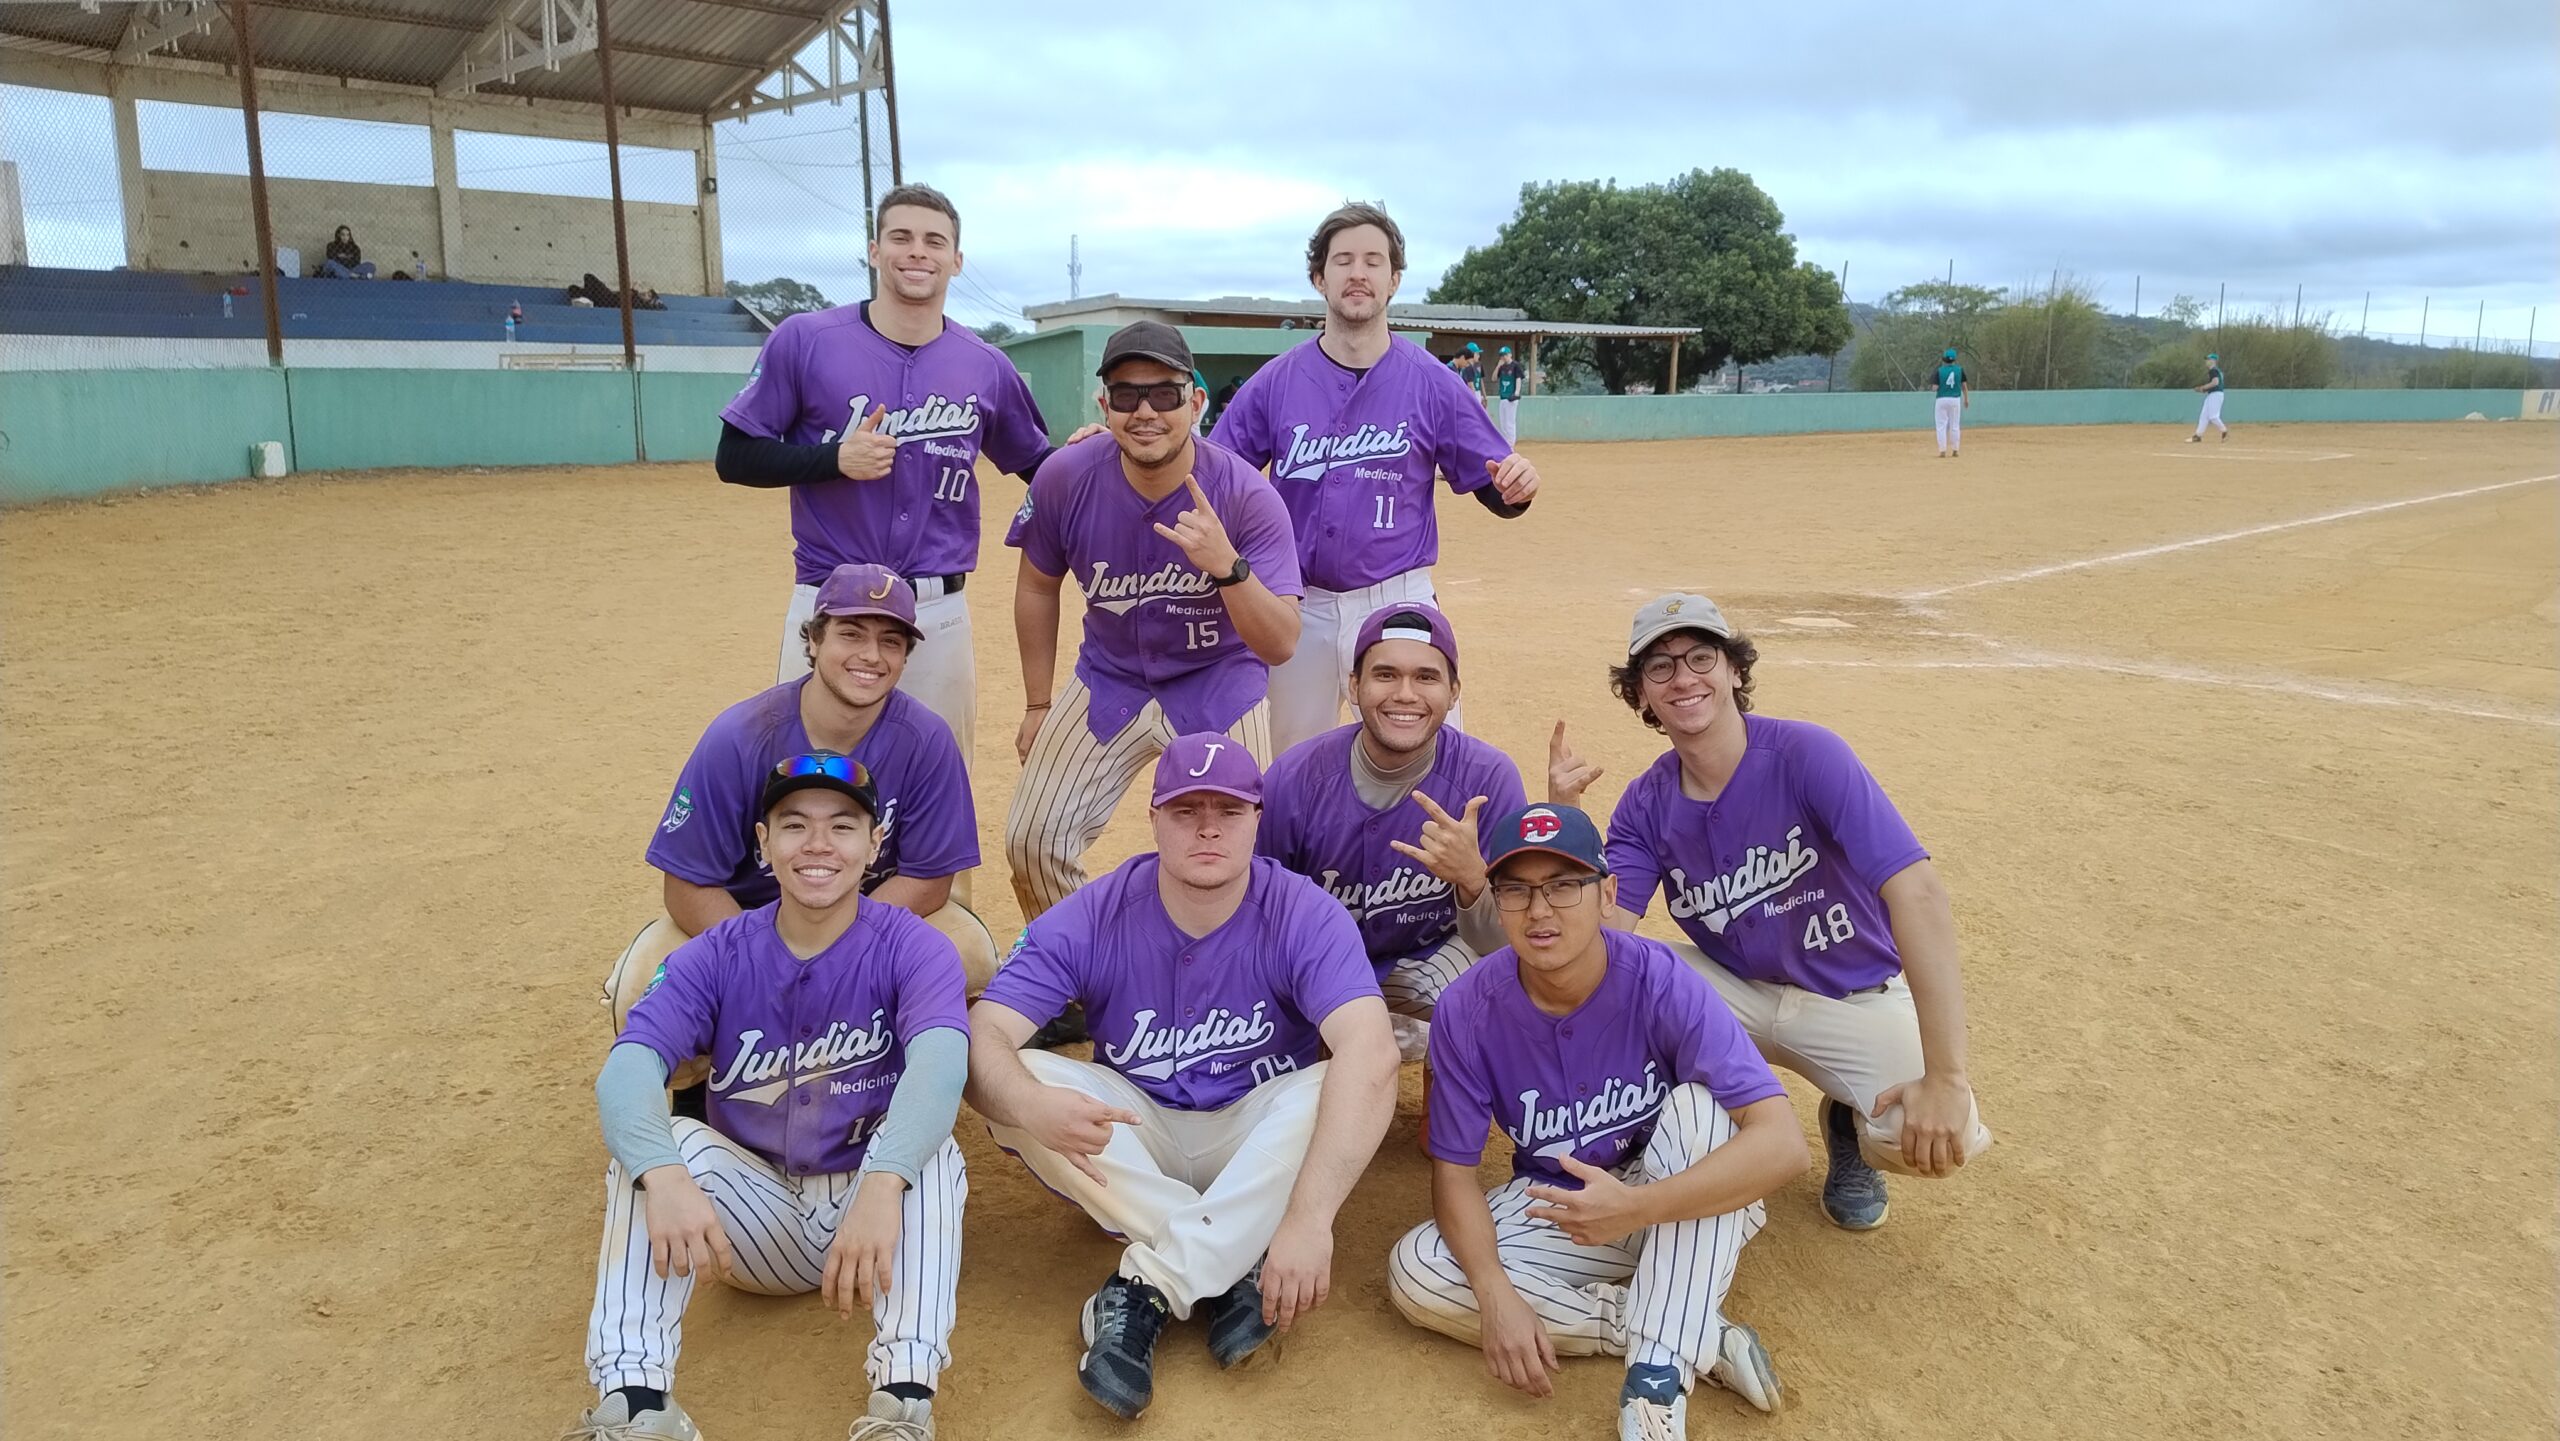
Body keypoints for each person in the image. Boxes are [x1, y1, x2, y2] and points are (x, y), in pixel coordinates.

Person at [965, 735, 1401, 1420]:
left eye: (1226, 808)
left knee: (1349, 1076)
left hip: (1255, 1134)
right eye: (1185, 808)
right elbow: (985, 1033)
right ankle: (1229, 1261)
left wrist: (1312, 1220)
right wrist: (1027, 1100)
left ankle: (1149, 1282)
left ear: (1258, 815)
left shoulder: (1303, 911)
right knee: (1013, 1079)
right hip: (1136, 1131)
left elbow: (1372, 1050)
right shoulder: (1096, 911)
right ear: (1155, 817)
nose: (1206, 826)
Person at [1552, 593, 1993, 1233]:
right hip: (1736, 994)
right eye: (1660, 667)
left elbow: (1917, 892)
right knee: (1622, 981)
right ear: (1641, 696)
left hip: (1851, 997)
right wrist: (1563, 823)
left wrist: (1948, 1076)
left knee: (1934, 1136)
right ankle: (1670, 1139)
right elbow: (1601, 945)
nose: (1684, 678)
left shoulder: (1807, 755)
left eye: (1701, 657)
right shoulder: (1645, 805)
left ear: (1734, 669)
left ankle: (1849, 1122)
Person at [570, 754, 970, 1441]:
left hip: (873, 1224)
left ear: (874, 845)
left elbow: (941, 1062)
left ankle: (902, 1405)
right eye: (795, 825)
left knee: (932, 1153)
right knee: (655, 1150)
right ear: (762, 843)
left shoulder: (913, 946)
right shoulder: (715, 952)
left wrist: (882, 1180)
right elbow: (628, 1068)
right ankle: (637, 1405)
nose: (818, 844)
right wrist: (662, 1171)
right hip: (750, 1223)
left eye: (842, 826)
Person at [1386, 802, 1807, 1435]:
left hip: (1679, 1191)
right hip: (1567, 1207)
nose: (1540, 911)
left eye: (1564, 885)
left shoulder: (1660, 978)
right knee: (1417, 1271)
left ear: (1607, 892)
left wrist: (1639, 1207)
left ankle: (1657, 1376)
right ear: (1496, 903)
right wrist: (1496, 1299)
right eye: (1518, 890)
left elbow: (1783, 1145)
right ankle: (1694, 1328)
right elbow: (1454, 1176)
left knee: (1699, 1109)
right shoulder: (1468, 1008)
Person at [605, 564, 999, 1090]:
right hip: (745, 916)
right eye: (851, 634)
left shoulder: (925, 740)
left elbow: (930, 878)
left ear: (906, 656)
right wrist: (767, 957)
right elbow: (688, 882)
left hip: (869, 912)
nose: (871, 656)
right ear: (812, 640)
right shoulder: (739, 736)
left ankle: (891, 1075)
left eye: (890, 641)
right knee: (640, 990)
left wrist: (842, 948)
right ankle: (707, 1088)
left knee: (970, 954)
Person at [716, 184, 1056, 758]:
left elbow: (1037, 466)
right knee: (808, 780)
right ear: (875, 251)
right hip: (830, 602)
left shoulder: (986, 365)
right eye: (901, 237)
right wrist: (834, 459)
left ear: (956, 260)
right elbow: (735, 456)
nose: (917, 252)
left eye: (934, 241)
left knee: (934, 778)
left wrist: (1097, 456)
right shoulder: (806, 340)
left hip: (937, 609)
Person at [1211, 203, 1539, 755]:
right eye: (1342, 260)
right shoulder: (1276, 383)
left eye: (1372, 260)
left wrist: (1516, 486)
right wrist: (1115, 444)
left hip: (1398, 598)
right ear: (1320, 278)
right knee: (1287, 765)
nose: (1357, 272)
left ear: (1394, 280)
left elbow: (1495, 488)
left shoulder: (1432, 383)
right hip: (1297, 605)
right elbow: (1210, 471)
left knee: (1432, 758)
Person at [1002, 320, 1303, 920]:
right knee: (1032, 841)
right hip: (1108, 680)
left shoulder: (1244, 494)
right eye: (1126, 394)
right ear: (1104, 404)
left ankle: (1230, 975)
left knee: (1247, 846)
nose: (1145, 411)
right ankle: (1080, 976)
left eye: (1164, 394)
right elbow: (1038, 584)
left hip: (1216, 680)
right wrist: (1038, 704)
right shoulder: (1065, 476)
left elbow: (1282, 642)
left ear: (1194, 401)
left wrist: (1228, 568)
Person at [1255, 602, 1523, 1022]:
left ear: (1453, 692)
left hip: (1431, 955)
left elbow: (1510, 940)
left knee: (1496, 998)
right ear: (1355, 685)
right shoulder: (1293, 778)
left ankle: (1444, 1071)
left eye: (1426, 677)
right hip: (1313, 957)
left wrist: (1473, 879)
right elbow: (1256, 914)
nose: (1405, 694)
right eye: (1385, 674)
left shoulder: (1488, 779)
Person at [1932, 346, 1969, 458]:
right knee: (1954, 425)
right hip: (1955, 400)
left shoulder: (1939, 371)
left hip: (1942, 399)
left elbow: (1934, 388)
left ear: (1944, 359)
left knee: (1941, 425)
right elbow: (1964, 386)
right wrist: (1966, 398)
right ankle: (1955, 450)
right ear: (1954, 359)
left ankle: (1942, 451)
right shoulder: (1959, 370)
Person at [2190, 352, 2229, 442]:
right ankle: (2198, 435)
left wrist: (2203, 388)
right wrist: (2204, 389)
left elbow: (2215, 382)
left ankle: (2224, 432)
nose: (2206, 361)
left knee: (2213, 417)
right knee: (2204, 415)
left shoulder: (2213, 370)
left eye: (2208, 359)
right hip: (2213, 394)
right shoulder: (2216, 371)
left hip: (2216, 394)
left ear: (2214, 361)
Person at [1493, 346, 1524, 443]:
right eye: (1502, 355)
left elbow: (1518, 379)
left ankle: (1511, 443)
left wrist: (1516, 393)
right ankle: (1505, 442)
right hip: (1502, 396)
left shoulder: (1515, 365)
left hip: (1511, 397)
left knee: (1510, 422)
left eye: (1505, 355)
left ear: (1510, 355)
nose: (1504, 357)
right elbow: (1494, 379)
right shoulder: (1501, 367)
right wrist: (1498, 366)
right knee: (1503, 422)